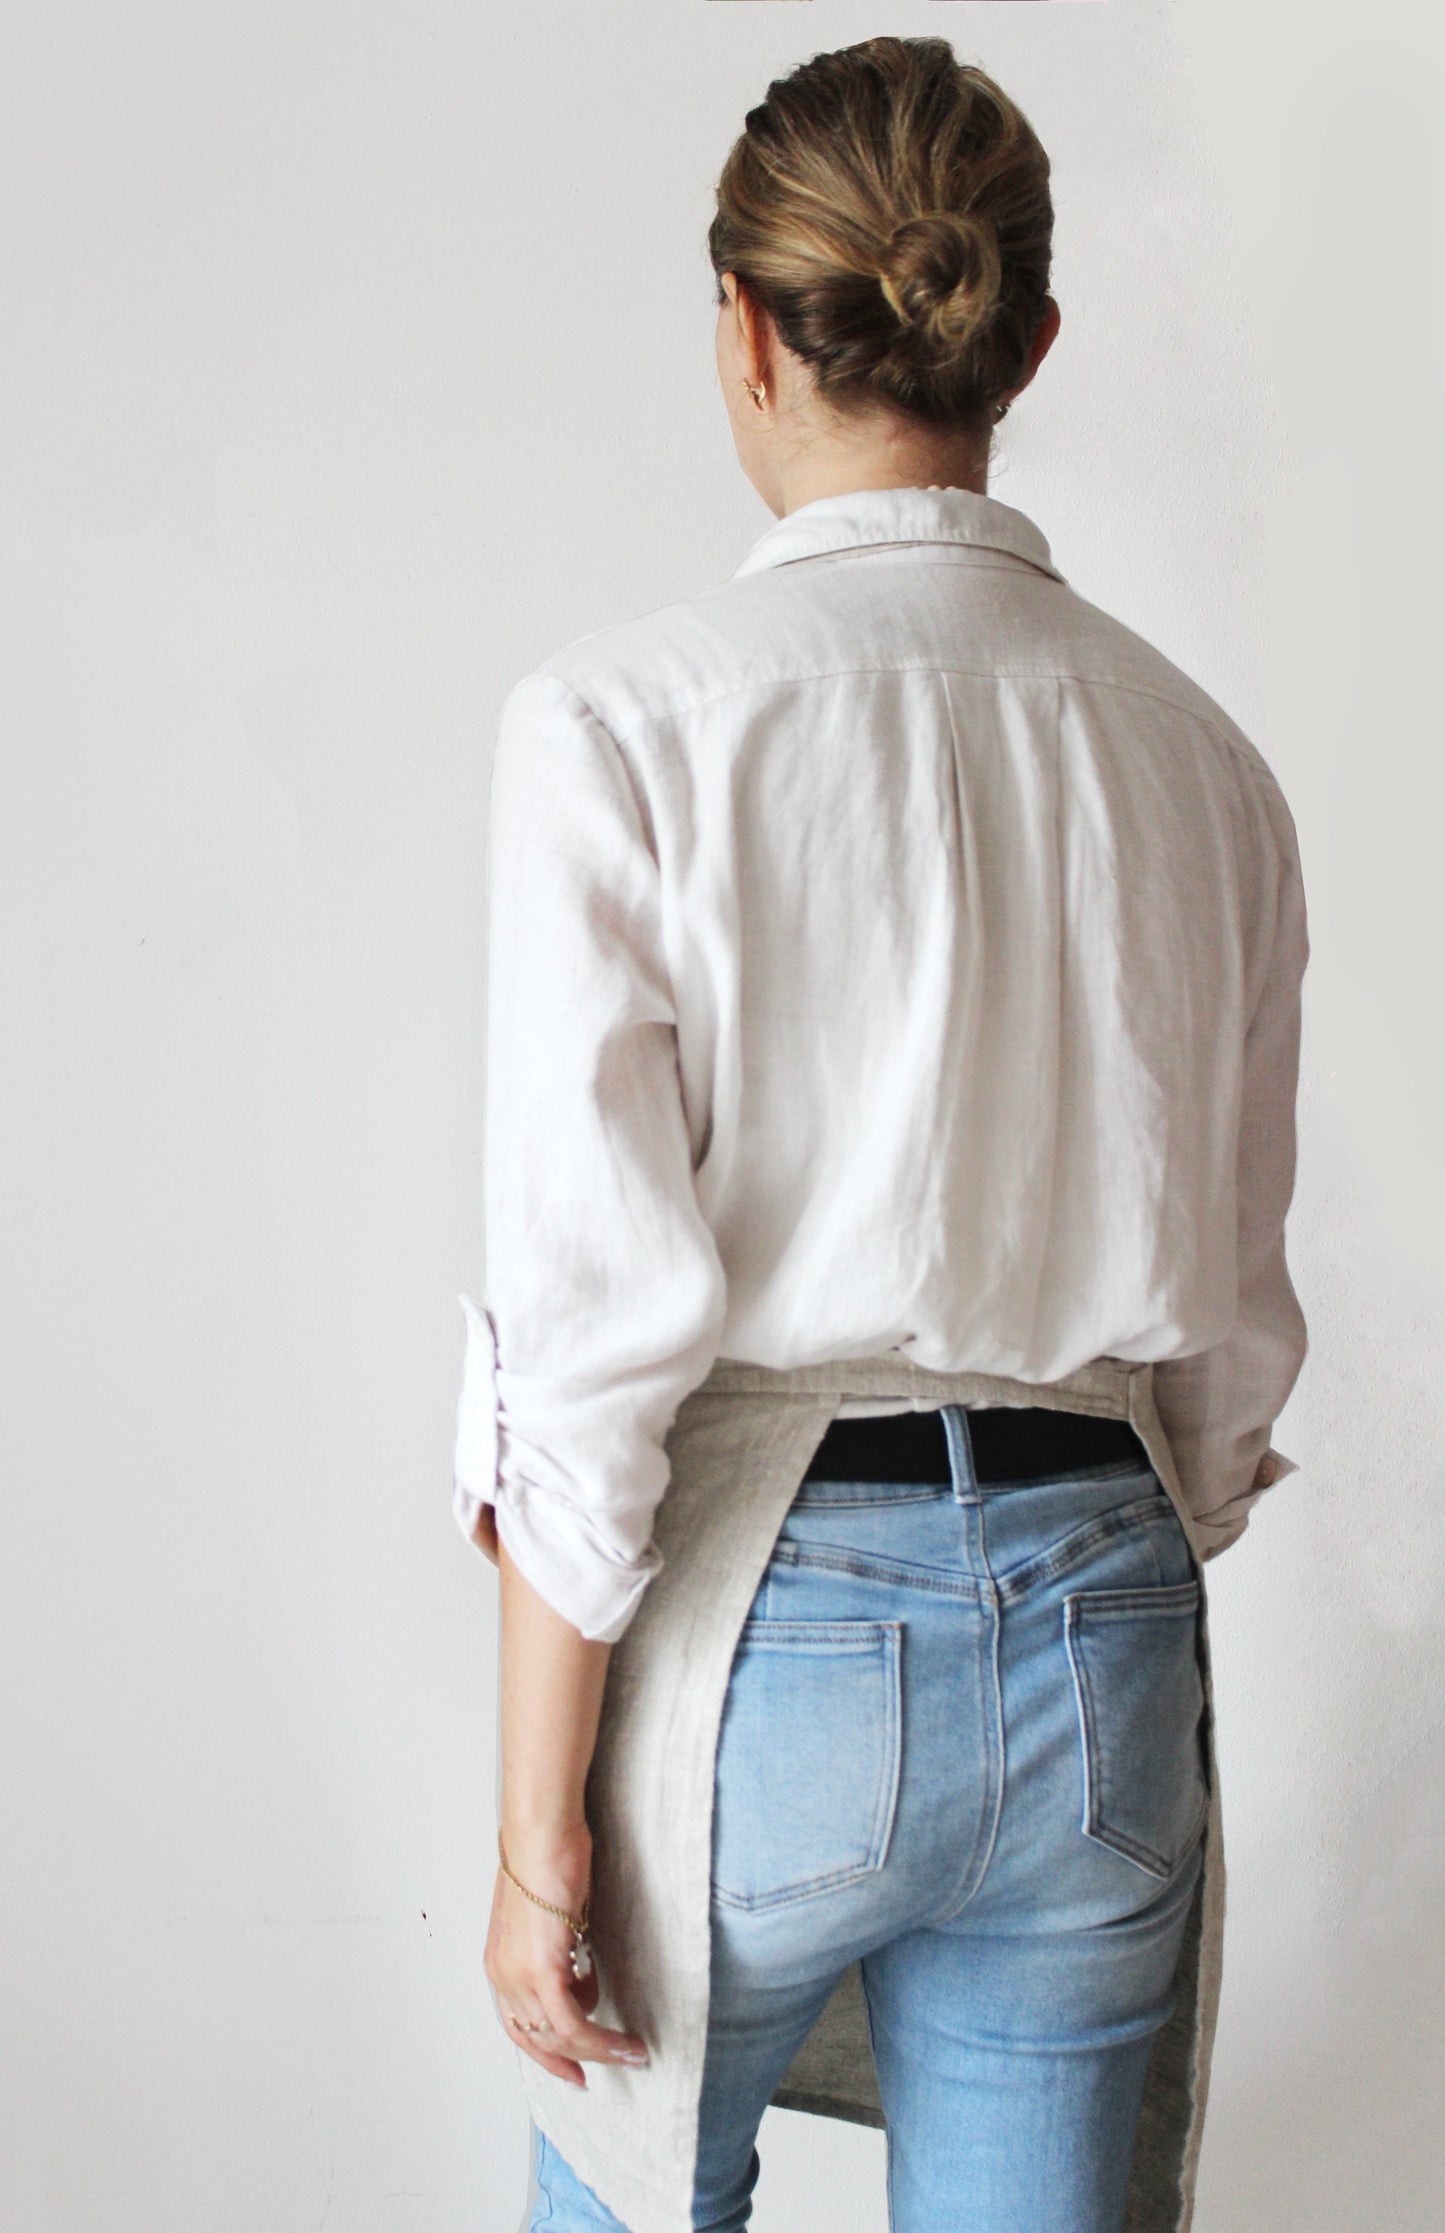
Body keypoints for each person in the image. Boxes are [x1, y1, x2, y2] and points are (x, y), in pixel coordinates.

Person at [452, 35, 1308, 2233]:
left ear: (744, 332)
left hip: (765, 1623)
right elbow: (1227, 1342)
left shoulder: (620, 726)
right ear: (1029, 340)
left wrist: (539, 1833)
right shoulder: (1204, 763)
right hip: (1105, 1606)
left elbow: (585, 1335)